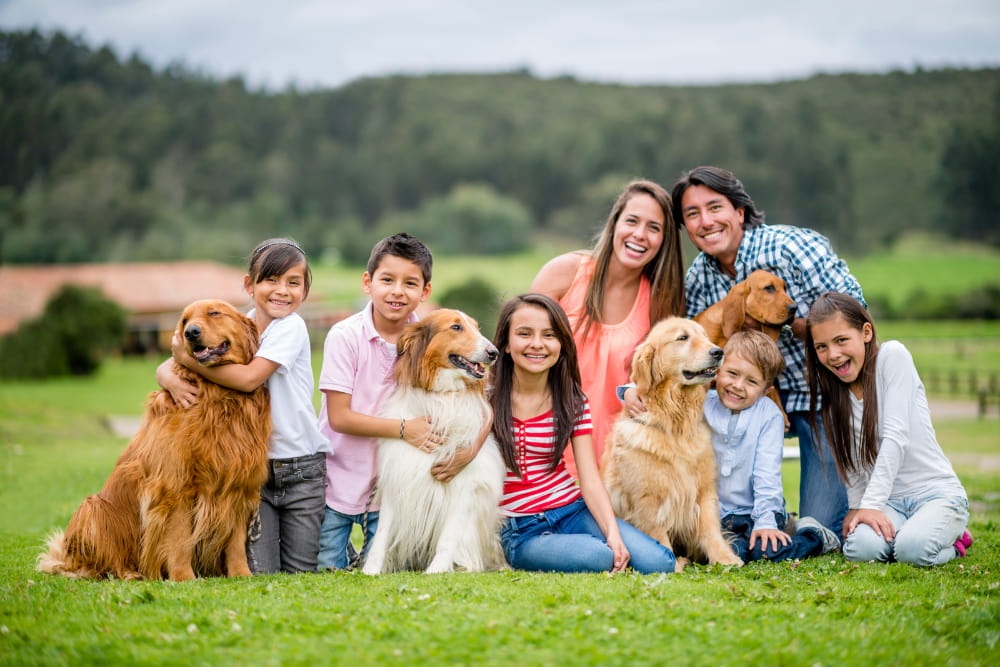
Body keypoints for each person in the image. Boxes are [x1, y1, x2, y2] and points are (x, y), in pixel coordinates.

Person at [674, 165, 865, 538]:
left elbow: (856, 317)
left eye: (715, 208)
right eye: (692, 214)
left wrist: (783, 324)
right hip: (744, 405)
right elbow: (691, 351)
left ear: (739, 212)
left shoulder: (790, 246)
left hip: (821, 397)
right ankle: (743, 523)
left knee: (821, 527)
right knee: (724, 508)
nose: (705, 221)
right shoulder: (698, 278)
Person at [157, 238, 329, 574]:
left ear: (305, 291)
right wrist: (165, 371)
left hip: (299, 466)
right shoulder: (236, 323)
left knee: (300, 572)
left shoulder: (290, 327)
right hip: (255, 471)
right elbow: (183, 357)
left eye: (293, 283)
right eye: (271, 280)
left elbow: (249, 378)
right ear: (249, 285)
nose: (281, 291)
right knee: (260, 571)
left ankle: (339, 550)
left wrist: (185, 363)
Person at [491, 293, 676, 574]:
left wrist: (613, 533)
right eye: (524, 334)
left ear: (562, 344)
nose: (537, 344)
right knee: (599, 558)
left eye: (549, 335)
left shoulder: (572, 400)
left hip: (571, 509)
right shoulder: (485, 397)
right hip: (520, 528)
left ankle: (581, 545)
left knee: (659, 562)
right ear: (505, 344)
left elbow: (589, 478)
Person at [315, 233, 465, 570]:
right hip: (337, 478)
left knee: (388, 566)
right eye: (387, 280)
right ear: (368, 282)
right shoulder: (346, 336)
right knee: (324, 567)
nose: (397, 291)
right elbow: (339, 418)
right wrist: (404, 429)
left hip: (392, 489)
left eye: (410, 283)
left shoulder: (427, 337)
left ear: (425, 291)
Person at [530, 179, 686, 476]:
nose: (639, 234)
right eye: (632, 221)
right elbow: (516, 350)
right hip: (544, 458)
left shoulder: (661, 305)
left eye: (654, 228)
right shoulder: (566, 272)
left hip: (616, 468)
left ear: (664, 240)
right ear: (615, 224)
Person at [805, 293, 972, 566]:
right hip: (889, 503)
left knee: (913, 551)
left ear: (866, 332)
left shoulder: (892, 357)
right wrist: (858, 506)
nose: (833, 355)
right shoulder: (834, 392)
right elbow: (852, 460)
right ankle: (911, 533)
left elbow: (895, 437)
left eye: (841, 340)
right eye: (821, 346)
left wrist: (870, 505)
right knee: (861, 551)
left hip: (934, 494)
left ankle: (956, 541)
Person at [702, 330, 841, 562]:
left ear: (767, 389)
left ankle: (815, 538)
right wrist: (632, 391)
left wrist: (765, 522)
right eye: (732, 373)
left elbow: (766, 474)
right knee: (729, 552)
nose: (737, 386)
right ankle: (742, 544)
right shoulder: (703, 404)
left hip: (756, 511)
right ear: (718, 371)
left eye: (751, 381)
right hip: (716, 515)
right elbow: (662, 393)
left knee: (764, 551)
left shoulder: (769, 414)